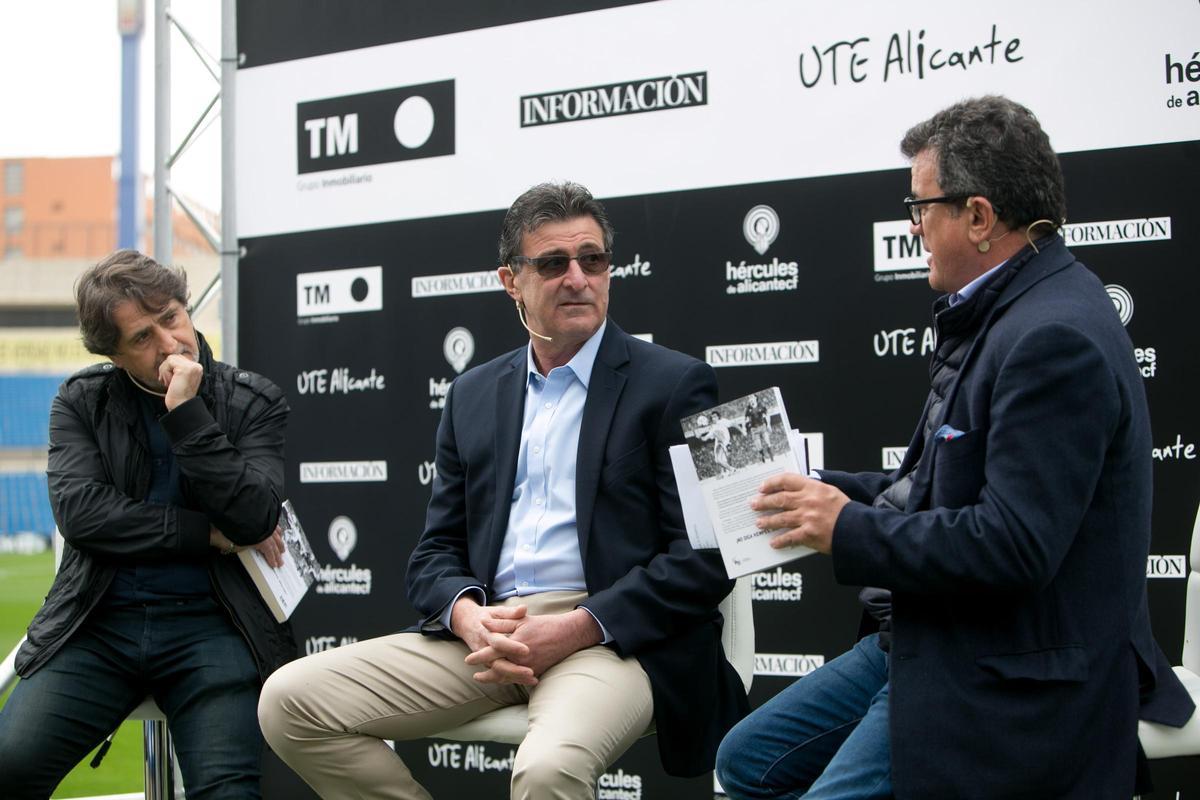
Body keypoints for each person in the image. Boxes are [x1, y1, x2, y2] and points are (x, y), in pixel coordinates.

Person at [715, 96, 1194, 799]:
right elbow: (942, 487)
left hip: (1009, 672)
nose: (914, 229)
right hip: (932, 638)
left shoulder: (1051, 337)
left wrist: (844, 528)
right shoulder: (1006, 311)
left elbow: (1014, 546)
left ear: (977, 215)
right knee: (745, 760)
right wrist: (823, 489)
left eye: (922, 208)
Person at [259, 181, 748, 799]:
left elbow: (706, 558)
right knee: (288, 702)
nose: (577, 277)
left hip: (614, 638)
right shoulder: (472, 395)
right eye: (552, 263)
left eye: (592, 259)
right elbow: (435, 552)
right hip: (491, 635)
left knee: (547, 772)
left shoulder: (676, 383)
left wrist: (576, 627)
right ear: (509, 280)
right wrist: (468, 617)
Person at [0, 250, 294, 799]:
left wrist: (187, 414)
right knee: (10, 764)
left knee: (227, 791)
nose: (170, 344)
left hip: (215, 626)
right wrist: (204, 534)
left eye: (173, 317)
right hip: (98, 625)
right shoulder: (81, 400)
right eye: (142, 337)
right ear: (113, 354)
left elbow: (254, 516)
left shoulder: (251, 399)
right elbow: (82, 514)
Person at [743, 394, 771, 464]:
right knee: (759, 446)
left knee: (767, 442)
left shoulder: (761, 405)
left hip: (762, 426)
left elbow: (767, 415)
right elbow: (744, 419)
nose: (750, 398)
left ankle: (771, 456)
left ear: (755, 398)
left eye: (751, 397)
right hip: (754, 429)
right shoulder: (747, 409)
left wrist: (769, 425)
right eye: (749, 397)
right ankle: (763, 457)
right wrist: (744, 428)